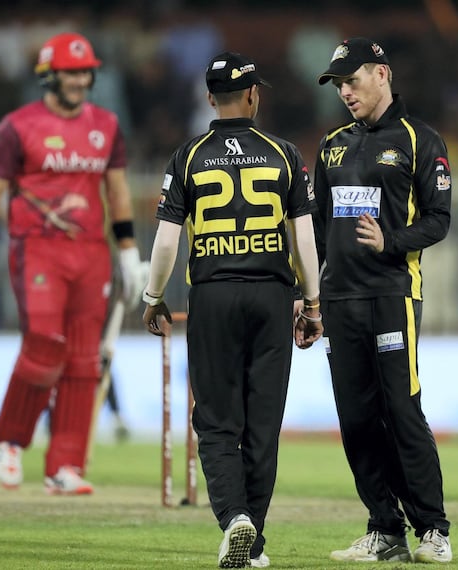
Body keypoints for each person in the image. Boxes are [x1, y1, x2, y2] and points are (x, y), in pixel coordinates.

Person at [142, 51, 323, 569]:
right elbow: (304, 238)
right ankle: (253, 538)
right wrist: (311, 303)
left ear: (208, 99)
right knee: (262, 425)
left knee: (217, 423)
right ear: (252, 95)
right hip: (271, 295)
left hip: (214, 296)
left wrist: (154, 297)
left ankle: (234, 520)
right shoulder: (285, 153)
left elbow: (166, 243)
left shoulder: (188, 156)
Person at [0, 32, 150, 496]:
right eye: (70, 72)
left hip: (92, 254)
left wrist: (128, 253)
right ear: (48, 74)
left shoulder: (107, 125)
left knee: (84, 360)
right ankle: (11, 441)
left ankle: (65, 465)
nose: (80, 80)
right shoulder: (17, 127)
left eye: (85, 71)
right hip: (36, 247)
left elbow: (118, 193)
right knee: (43, 344)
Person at [313, 37, 453, 563]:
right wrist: (308, 297)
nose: (344, 92)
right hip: (340, 299)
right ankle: (384, 529)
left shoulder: (420, 140)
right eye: (338, 85)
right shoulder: (331, 145)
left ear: (382, 74)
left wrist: (390, 242)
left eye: (351, 80)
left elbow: (439, 220)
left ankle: (434, 529)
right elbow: (319, 225)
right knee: (354, 418)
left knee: (401, 410)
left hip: (394, 293)